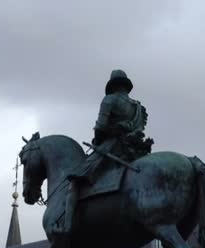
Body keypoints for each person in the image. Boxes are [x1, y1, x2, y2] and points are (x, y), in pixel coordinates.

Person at [61, 69, 152, 232]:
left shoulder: (109, 100)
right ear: (126, 86)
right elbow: (139, 129)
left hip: (113, 147)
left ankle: (67, 226)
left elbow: (101, 126)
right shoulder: (139, 107)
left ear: (112, 85)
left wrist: (97, 140)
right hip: (135, 151)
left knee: (75, 180)